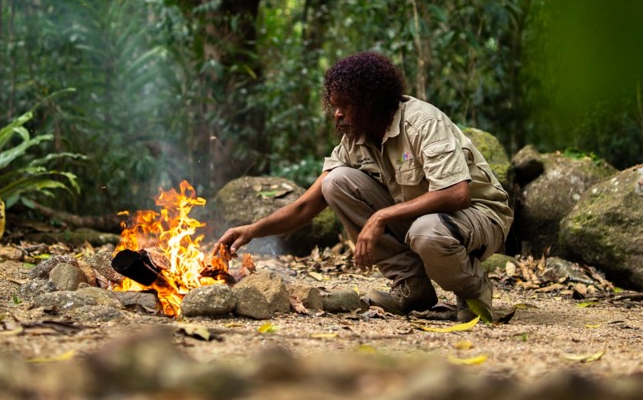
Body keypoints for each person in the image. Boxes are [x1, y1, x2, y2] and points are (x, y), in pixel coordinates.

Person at [218, 51, 513, 321]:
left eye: (345, 104)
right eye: (334, 105)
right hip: (427, 219)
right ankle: (412, 286)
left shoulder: (421, 123)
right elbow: (307, 205)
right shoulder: (356, 141)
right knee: (336, 182)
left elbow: (456, 193)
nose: (337, 113)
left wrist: (381, 216)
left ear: (371, 100)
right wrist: (253, 230)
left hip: (481, 216)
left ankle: (474, 291)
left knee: (427, 232)